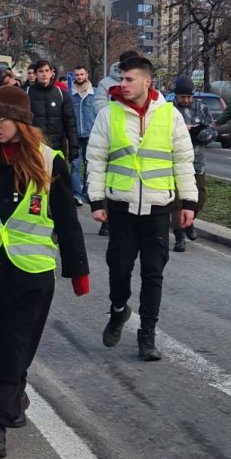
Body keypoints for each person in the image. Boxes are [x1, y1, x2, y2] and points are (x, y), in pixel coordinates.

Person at [0, 85, 89, 459]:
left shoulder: (48, 160)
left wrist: (78, 271)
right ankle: (14, 397)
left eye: (2, 119)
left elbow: (66, 219)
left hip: (30, 273)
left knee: (12, 343)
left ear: (22, 121)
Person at [86, 56, 197, 362]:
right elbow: (95, 158)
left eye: (128, 79)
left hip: (159, 207)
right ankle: (119, 309)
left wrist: (188, 203)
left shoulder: (170, 115)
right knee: (119, 268)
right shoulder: (109, 115)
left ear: (147, 81)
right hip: (121, 207)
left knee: (153, 273)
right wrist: (97, 200)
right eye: (121, 79)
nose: (122, 84)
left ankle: (147, 334)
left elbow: (182, 161)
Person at [170, 76, 214, 252]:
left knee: (200, 197)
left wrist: (199, 134)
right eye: (182, 97)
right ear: (176, 96)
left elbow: (211, 129)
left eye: (189, 97)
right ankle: (179, 236)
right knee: (177, 201)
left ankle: (189, 221)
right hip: (175, 161)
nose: (186, 100)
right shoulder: (169, 110)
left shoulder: (201, 108)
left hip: (196, 160)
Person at [25, 60, 79, 164]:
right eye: (41, 71)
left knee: (57, 178)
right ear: (36, 74)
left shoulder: (61, 94)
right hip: (35, 147)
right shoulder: (27, 93)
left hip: (57, 147)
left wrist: (74, 146)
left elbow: (70, 123)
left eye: (46, 71)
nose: (44, 74)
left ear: (51, 73)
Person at [70, 66, 98, 205]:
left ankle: (87, 192)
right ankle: (76, 194)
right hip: (74, 134)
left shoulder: (95, 93)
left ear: (86, 75)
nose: (79, 77)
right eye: (76, 74)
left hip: (90, 134)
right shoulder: (70, 94)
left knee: (89, 165)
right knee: (74, 165)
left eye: (81, 74)